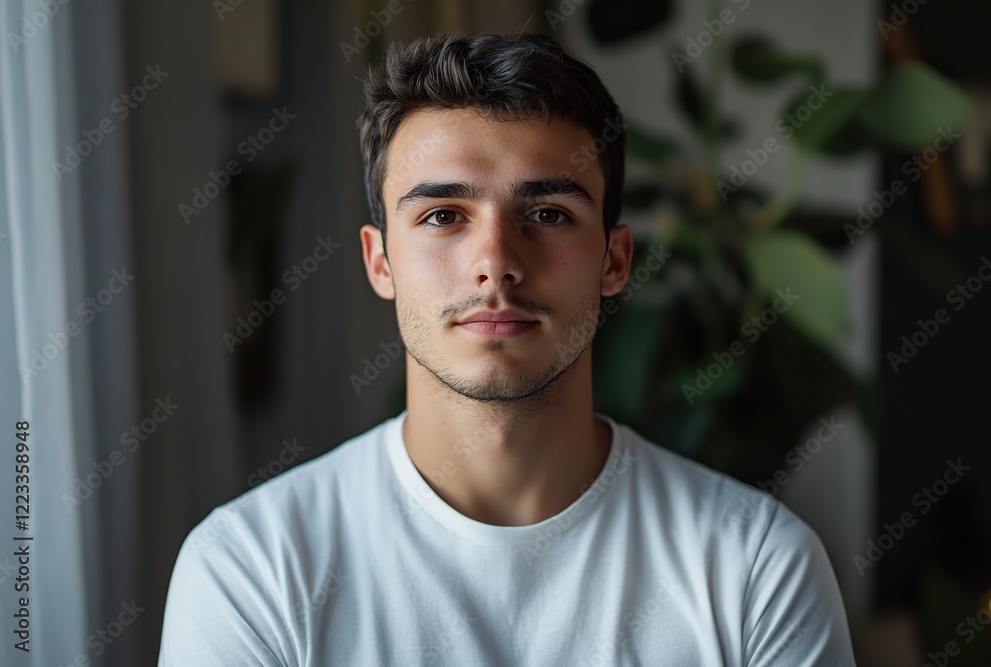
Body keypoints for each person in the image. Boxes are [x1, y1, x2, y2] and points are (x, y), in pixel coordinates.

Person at [158, 32, 856, 666]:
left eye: (548, 214)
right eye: (442, 216)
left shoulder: (755, 568)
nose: (495, 261)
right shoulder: (253, 569)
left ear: (615, 261)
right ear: (380, 263)